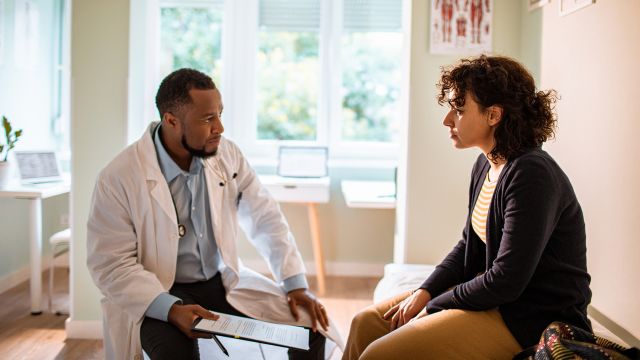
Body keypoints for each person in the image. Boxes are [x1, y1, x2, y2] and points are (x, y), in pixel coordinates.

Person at [341, 55, 592, 360]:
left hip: (528, 319)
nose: (447, 120)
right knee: (364, 323)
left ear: (493, 115)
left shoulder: (532, 175)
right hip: (500, 303)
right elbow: (468, 246)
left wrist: (435, 306)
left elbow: (506, 281)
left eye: (459, 110)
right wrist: (426, 290)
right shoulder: (486, 165)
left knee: (380, 354)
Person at [87, 68, 342, 360]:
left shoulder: (226, 155)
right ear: (171, 121)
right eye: (208, 118)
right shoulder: (119, 177)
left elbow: (265, 217)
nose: (219, 127)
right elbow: (110, 264)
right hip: (159, 290)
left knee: (310, 330)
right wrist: (170, 308)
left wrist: (295, 284)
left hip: (221, 283)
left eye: (220, 114)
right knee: (174, 355)